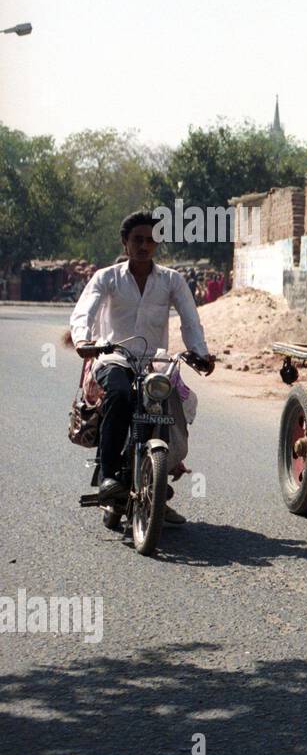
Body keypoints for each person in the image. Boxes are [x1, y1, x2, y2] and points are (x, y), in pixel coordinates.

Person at [70, 210, 216, 522]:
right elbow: (85, 311)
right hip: (114, 357)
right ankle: (109, 477)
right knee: (121, 396)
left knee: (170, 405)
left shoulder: (171, 280)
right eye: (138, 239)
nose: (144, 246)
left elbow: (190, 320)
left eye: (151, 240)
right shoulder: (106, 278)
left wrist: (200, 353)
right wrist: (84, 341)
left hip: (154, 362)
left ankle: (158, 479)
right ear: (125, 244)